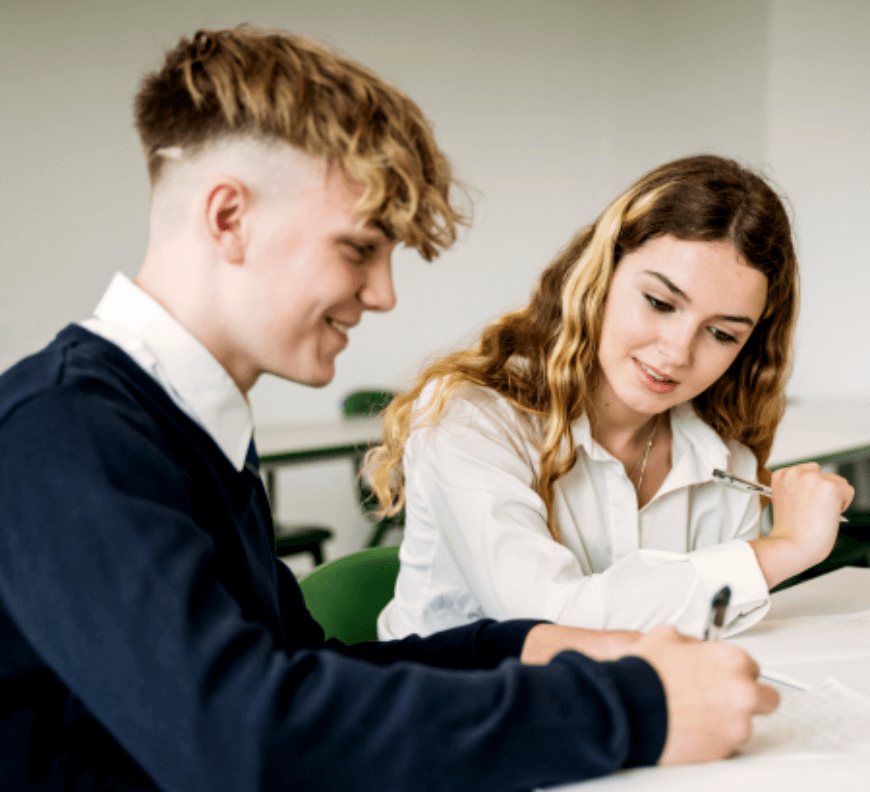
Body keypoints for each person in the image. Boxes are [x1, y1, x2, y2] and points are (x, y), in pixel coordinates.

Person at [0, 26, 779, 792]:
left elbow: (306, 673)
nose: (383, 294)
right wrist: (633, 707)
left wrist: (530, 646)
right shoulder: (64, 430)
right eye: (358, 248)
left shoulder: (184, 428)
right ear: (228, 218)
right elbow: (245, 738)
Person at [370, 154, 855, 643]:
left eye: (721, 334)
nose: (677, 352)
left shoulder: (725, 462)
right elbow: (546, 623)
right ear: (599, 276)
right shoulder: (473, 418)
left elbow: (707, 640)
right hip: (454, 707)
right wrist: (785, 548)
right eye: (660, 303)